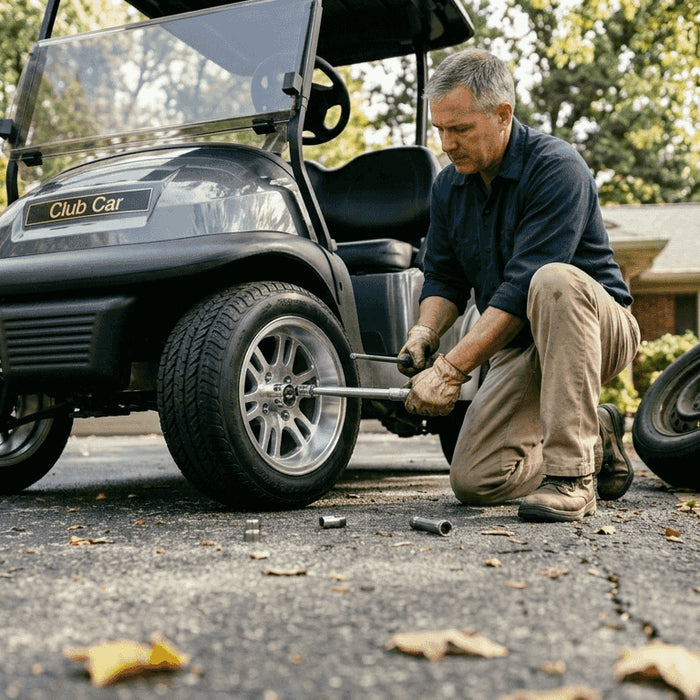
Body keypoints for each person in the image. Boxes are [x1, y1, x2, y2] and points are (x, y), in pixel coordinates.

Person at [399, 48, 641, 522]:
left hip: (595, 328)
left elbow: (521, 286)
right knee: (475, 481)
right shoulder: (448, 187)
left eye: (460, 129)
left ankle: (572, 479)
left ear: (503, 114)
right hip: (520, 342)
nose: (447, 143)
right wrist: (424, 335)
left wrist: (450, 372)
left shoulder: (556, 167)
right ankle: (598, 437)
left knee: (552, 281)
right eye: (440, 130)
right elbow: (444, 278)